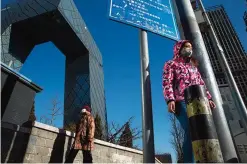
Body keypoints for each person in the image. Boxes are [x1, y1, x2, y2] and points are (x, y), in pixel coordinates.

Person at [162, 40, 216, 163]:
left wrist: (209, 98)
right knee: (191, 129)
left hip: (198, 102)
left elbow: (201, 83)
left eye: (191, 47)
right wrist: (170, 99)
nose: (189, 49)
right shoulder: (171, 64)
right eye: (186, 47)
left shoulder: (193, 67)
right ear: (179, 48)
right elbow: (167, 82)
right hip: (181, 102)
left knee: (202, 132)